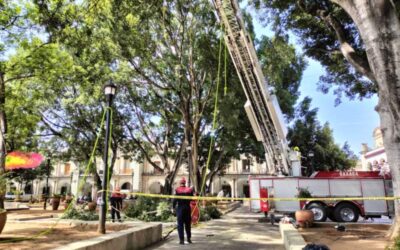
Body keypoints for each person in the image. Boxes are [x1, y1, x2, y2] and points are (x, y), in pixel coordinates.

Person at [172, 177, 194, 245]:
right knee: (188, 224)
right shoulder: (189, 190)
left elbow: (175, 200)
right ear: (185, 183)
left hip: (180, 208)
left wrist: (173, 208)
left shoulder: (177, 190)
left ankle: (181, 240)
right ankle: (189, 239)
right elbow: (191, 199)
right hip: (187, 208)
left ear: (180, 183)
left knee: (180, 225)